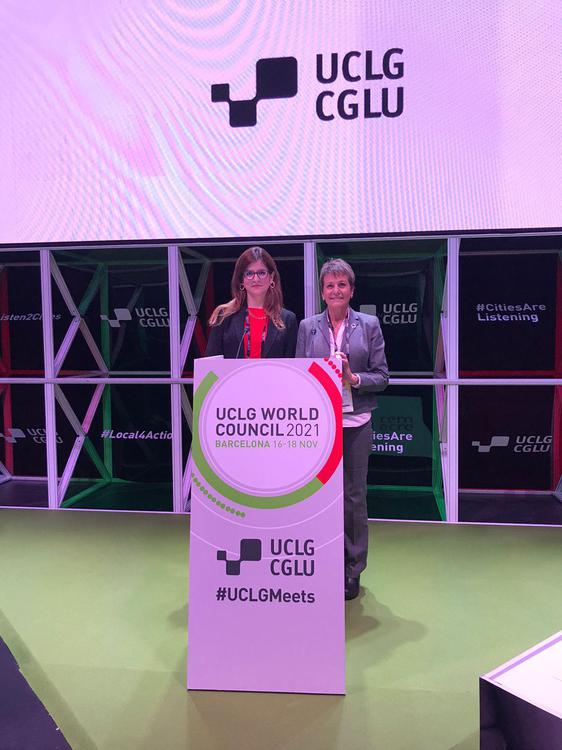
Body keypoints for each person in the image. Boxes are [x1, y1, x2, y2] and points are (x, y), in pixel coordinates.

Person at [296, 259, 388, 600]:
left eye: (342, 284)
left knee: (353, 498)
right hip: (319, 426)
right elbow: (300, 374)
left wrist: (353, 378)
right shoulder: (307, 327)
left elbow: (382, 376)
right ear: (322, 292)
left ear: (352, 289)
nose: (336, 290)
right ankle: (322, 562)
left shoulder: (369, 325)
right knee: (318, 498)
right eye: (330, 285)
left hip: (356, 424)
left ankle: (352, 570)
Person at [206, 246, 297, 358]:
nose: (256, 279)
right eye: (249, 274)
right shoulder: (223, 316)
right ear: (241, 279)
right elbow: (210, 364)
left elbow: (291, 365)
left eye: (261, 273)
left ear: (271, 277)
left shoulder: (288, 319)